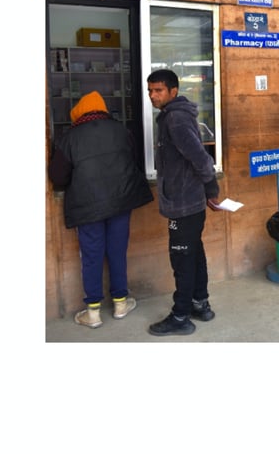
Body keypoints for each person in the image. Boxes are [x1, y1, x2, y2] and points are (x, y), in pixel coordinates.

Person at [48, 91, 154, 329]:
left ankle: (93, 312)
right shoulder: (121, 130)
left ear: (79, 112)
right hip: (120, 202)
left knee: (92, 255)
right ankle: (120, 303)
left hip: (87, 206)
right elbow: (133, 160)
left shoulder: (69, 137)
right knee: (117, 251)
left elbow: (57, 176)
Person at [146, 69, 221, 337]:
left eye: (158, 90)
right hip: (189, 201)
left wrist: (211, 188)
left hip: (184, 203)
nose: (153, 96)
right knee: (193, 253)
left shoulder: (175, 119)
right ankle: (201, 304)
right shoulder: (174, 116)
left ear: (173, 92)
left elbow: (201, 158)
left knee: (182, 259)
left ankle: (180, 316)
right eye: (150, 90)